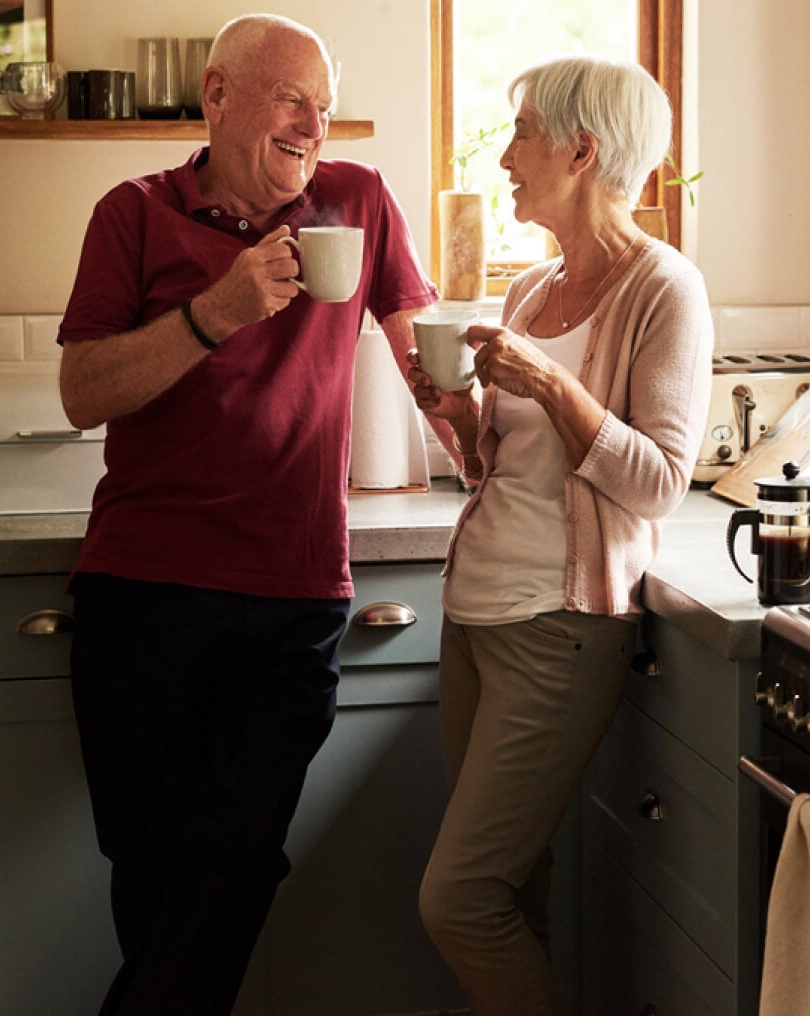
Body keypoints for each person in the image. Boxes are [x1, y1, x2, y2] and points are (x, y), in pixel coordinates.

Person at [57, 14, 447, 1016]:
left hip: (292, 596)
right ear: (216, 96)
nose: (313, 123)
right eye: (290, 98)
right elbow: (82, 390)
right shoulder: (133, 213)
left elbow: (420, 361)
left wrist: (478, 432)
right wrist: (213, 313)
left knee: (233, 861)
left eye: (323, 104)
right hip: (142, 590)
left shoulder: (355, 201)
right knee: (153, 873)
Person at [410, 55, 713, 1015]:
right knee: (509, 896)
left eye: (524, 135)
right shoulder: (531, 292)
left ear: (582, 151)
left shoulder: (665, 289)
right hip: (476, 616)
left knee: (458, 900)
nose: (506, 158)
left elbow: (659, 484)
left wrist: (547, 383)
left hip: (559, 627)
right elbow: (503, 474)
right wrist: (456, 418)